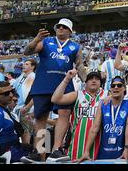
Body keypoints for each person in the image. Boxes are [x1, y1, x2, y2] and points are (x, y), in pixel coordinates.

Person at [22, 18, 86, 162]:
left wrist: (87, 82)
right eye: (59, 26)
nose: (61, 28)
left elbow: (80, 66)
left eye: (64, 27)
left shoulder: (75, 46)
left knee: (64, 114)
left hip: (63, 85)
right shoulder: (46, 41)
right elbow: (27, 52)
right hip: (43, 84)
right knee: (40, 119)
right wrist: (36, 39)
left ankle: (56, 150)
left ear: (70, 31)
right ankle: (39, 152)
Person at [50, 70, 105, 161]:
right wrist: (67, 79)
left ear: (100, 82)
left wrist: (111, 97)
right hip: (77, 141)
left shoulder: (106, 95)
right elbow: (55, 99)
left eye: (97, 79)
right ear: (85, 82)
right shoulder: (78, 94)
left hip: (98, 142)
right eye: (91, 79)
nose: (94, 80)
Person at [78, 76, 128, 162]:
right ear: (110, 89)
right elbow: (95, 128)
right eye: (113, 86)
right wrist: (86, 151)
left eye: (119, 85)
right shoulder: (103, 104)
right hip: (103, 154)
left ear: (124, 88)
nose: (116, 87)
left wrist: (127, 148)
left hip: (122, 154)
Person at [12, 59, 36, 146]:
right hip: (18, 107)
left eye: (26, 64)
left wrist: (27, 107)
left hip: (27, 107)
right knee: (20, 130)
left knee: (26, 130)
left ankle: (27, 150)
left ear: (32, 66)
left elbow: (32, 94)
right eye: (24, 64)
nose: (24, 65)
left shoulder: (33, 76)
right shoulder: (21, 76)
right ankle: (23, 150)